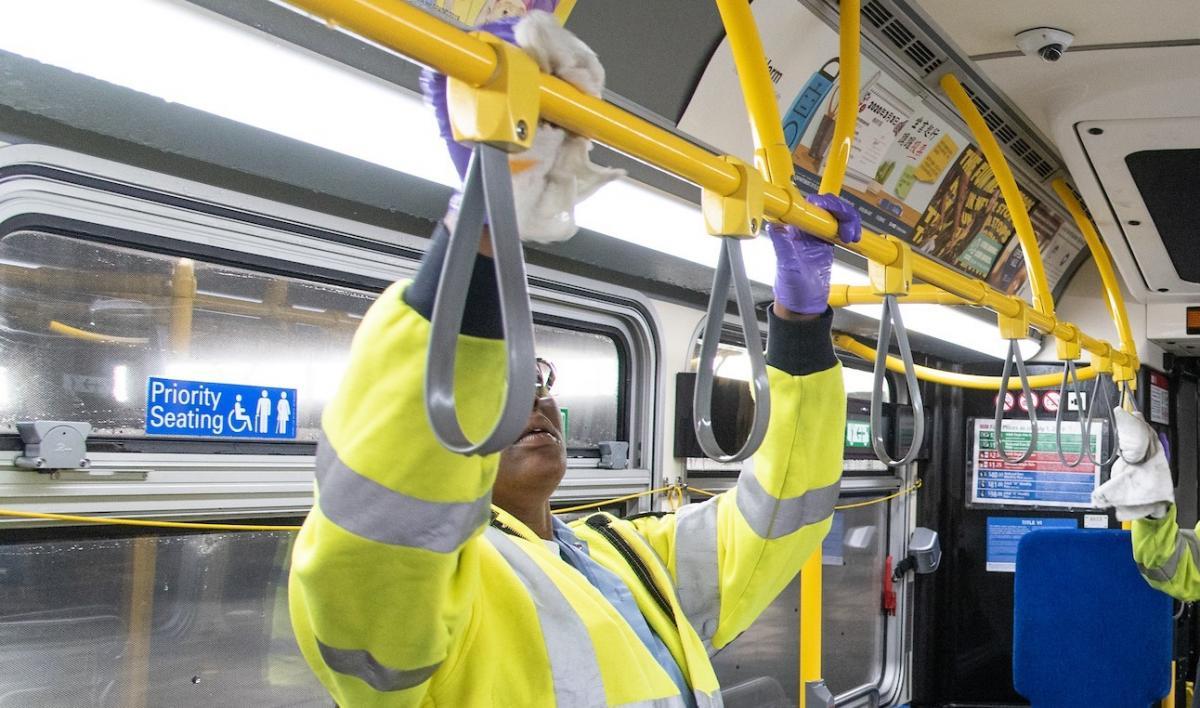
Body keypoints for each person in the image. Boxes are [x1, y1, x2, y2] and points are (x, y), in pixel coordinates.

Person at [287, 11, 862, 706]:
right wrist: (486, 224)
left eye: (538, 382)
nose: (534, 399)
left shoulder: (629, 558)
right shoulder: (419, 608)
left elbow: (781, 516)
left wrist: (799, 324)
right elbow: (385, 515)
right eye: (502, 383)